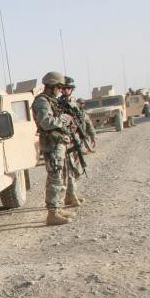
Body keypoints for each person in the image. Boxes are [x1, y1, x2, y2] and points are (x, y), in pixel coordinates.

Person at [32, 71, 77, 225]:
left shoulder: (51, 101)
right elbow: (46, 122)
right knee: (55, 178)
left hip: (57, 143)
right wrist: (64, 119)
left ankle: (58, 208)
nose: (60, 91)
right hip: (51, 145)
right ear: (52, 86)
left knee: (61, 176)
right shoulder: (42, 101)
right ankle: (52, 214)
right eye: (59, 87)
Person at [58, 76, 90, 207]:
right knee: (69, 170)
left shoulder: (74, 102)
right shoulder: (59, 103)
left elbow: (80, 119)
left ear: (72, 89)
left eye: (69, 88)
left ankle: (71, 195)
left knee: (76, 168)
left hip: (75, 138)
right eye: (64, 88)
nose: (66, 90)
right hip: (67, 139)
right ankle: (69, 197)